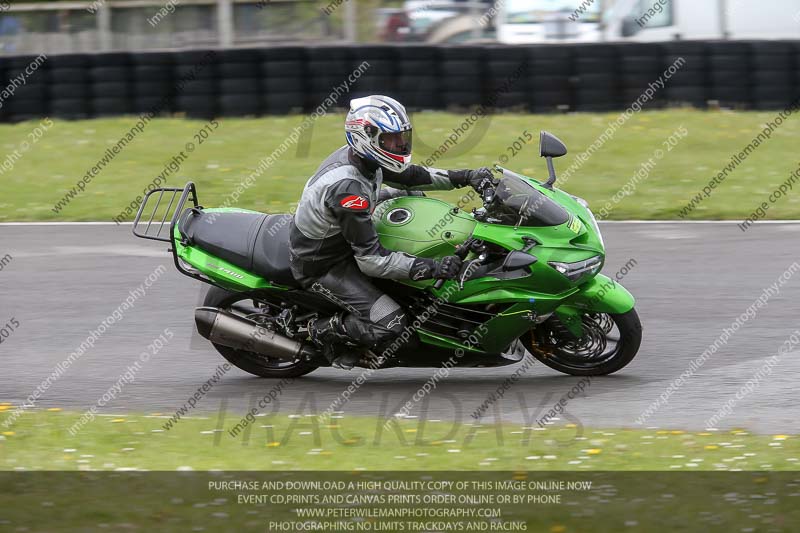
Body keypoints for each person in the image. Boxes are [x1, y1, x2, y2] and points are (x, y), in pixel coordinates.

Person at [288, 95, 495, 369]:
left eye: (402, 137)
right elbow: (371, 261)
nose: (400, 145)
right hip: (325, 263)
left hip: (345, 232)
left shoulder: (363, 158)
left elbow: (411, 176)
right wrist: (434, 268)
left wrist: (466, 177)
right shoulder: (348, 190)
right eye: (392, 139)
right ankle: (320, 331)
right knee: (393, 323)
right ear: (367, 137)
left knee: (415, 194)